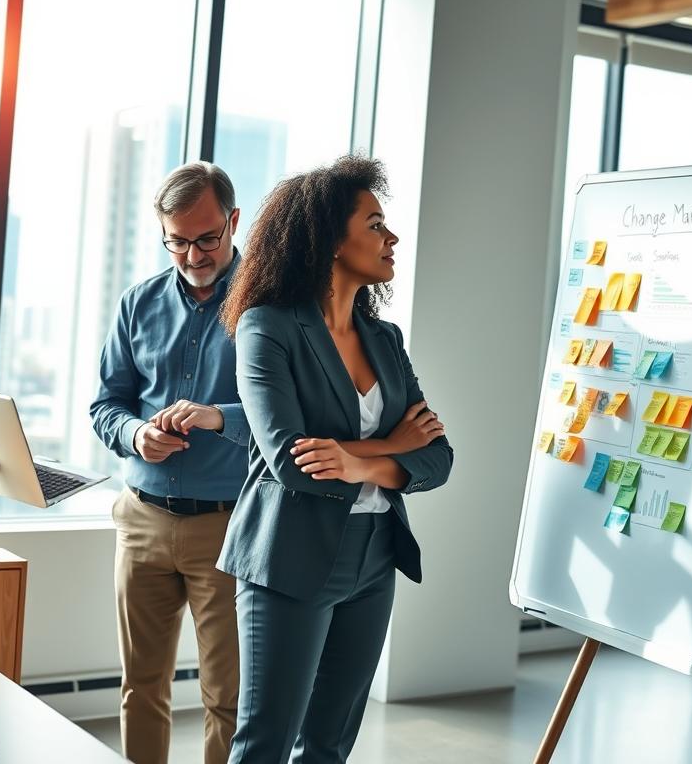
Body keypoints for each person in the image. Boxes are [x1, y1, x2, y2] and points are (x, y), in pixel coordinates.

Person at [218, 154, 454, 763]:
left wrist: (359, 463)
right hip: (290, 555)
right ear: (327, 237)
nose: (391, 236)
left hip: (374, 555)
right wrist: (393, 448)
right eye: (375, 223)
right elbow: (289, 461)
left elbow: (439, 457)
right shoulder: (265, 327)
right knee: (265, 742)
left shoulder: (385, 340)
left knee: (329, 745)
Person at [90, 161, 247, 764]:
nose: (193, 255)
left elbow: (286, 417)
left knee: (227, 698)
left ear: (233, 221)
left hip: (228, 527)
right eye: (177, 241)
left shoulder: (267, 308)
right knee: (140, 687)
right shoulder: (139, 303)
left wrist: (217, 416)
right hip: (142, 520)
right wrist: (134, 435)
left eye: (207, 238)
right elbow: (107, 404)